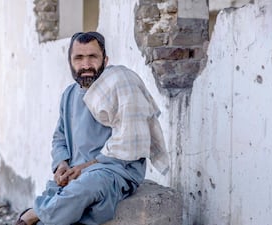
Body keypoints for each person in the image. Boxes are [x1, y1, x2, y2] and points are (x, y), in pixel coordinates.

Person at [15, 31, 169, 225]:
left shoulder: (119, 84)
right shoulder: (69, 94)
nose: (86, 65)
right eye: (78, 58)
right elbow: (60, 137)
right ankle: (45, 212)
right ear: (70, 62)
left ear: (105, 60)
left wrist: (84, 168)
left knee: (85, 188)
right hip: (77, 173)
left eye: (92, 57)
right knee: (63, 192)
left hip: (114, 171)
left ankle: (34, 213)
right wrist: (62, 164)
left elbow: (126, 145)